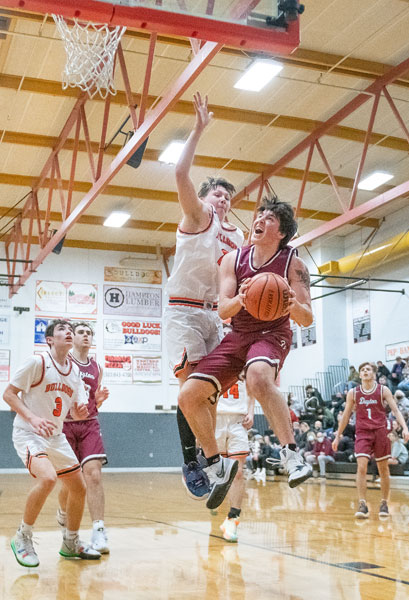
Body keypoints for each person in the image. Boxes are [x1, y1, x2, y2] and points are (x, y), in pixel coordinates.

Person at [179, 196, 313, 510]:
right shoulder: (232, 260)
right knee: (188, 396)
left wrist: (293, 305)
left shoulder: (294, 263)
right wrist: (242, 298)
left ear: (281, 233)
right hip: (238, 335)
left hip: (272, 333)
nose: (261, 218)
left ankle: (292, 454)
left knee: (258, 378)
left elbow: (308, 317)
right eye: (261, 214)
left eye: (270, 217)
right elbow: (224, 308)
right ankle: (215, 464)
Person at [164, 93, 244, 500]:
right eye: (216, 194)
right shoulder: (198, 217)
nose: (223, 200)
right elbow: (180, 173)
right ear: (204, 198)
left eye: (228, 197)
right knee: (186, 387)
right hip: (183, 311)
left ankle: (209, 456)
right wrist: (197, 130)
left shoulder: (238, 237)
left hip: (214, 315)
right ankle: (193, 460)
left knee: (206, 391)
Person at [3, 319, 101, 567]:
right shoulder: (37, 362)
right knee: (47, 478)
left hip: (55, 437)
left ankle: (70, 542)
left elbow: (77, 414)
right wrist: (33, 418)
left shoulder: (75, 372)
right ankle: (22, 537)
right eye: (62, 330)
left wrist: (82, 409)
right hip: (28, 432)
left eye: (70, 330)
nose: (68, 332)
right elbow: (9, 394)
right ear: (50, 339)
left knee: (78, 488)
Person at [57, 322, 110, 553]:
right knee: (71, 483)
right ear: (73, 338)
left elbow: (93, 400)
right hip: (66, 426)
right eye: (81, 332)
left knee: (94, 476)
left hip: (89, 424)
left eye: (89, 333)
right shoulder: (63, 363)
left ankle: (99, 531)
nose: (86, 336)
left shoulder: (97, 367)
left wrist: (98, 399)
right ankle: (62, 511)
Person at [333, 362, 409, 519]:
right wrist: (337, 436)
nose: (365, 371)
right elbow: (346, 415)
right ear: (359, 375)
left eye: (368, 369)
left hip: (381, 431)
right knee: (361, 466)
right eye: (362, 370)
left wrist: (405, 428)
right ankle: (362, 504)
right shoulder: (353, 393)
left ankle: (384, 503)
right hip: (362, 432)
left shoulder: (383, 390)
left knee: (383, 469)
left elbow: (395, 410)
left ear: (374, 374)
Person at [215, 380, 254, 542]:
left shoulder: (247, 360)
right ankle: (219, 504)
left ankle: (233, 518)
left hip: (238, 420)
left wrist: (251, 412)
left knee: (237, 472)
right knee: (219, 471)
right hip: (215, 418)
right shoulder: (209, 356)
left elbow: (252, 389)